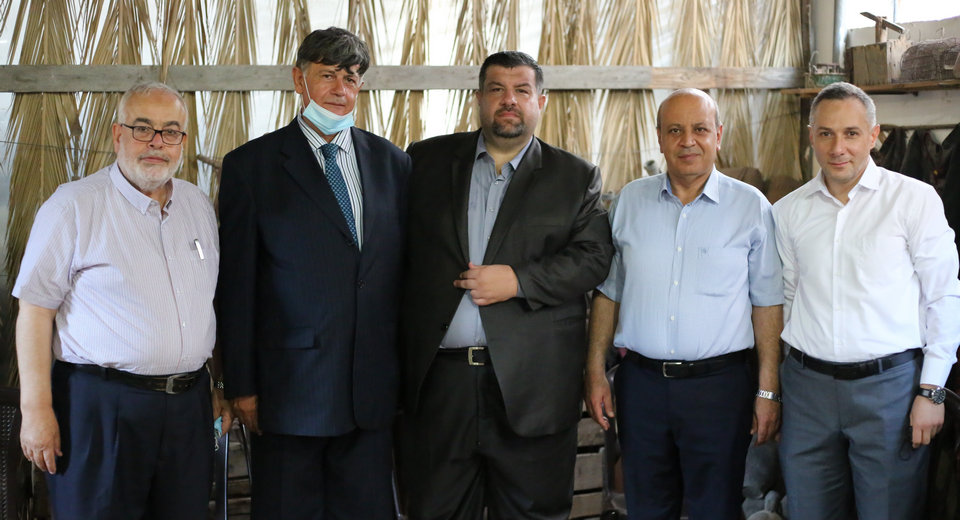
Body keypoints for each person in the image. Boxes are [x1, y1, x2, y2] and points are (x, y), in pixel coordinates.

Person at [398, 50, 614, 519]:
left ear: (541, 101)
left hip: (532, 388)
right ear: (479, 98)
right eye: (496, 89)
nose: (509, 100)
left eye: (521, 90)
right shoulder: (425, 161)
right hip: (440, 387)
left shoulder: (575, 177)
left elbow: (594, 258)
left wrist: (519, 281)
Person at [216, 27, 410, 519]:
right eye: (328, 75)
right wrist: (241, 384)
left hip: (371, 393)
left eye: (352, 78)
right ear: (299, 80)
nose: (341, 89)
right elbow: (236, 287)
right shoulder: (251, 166)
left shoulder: (393, 164)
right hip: (288, 392)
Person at [13, 82, 229, 519]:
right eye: (143, 128)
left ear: (183, 141)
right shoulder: (73, 206)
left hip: (188, 406)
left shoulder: (197, 205)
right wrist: (35, 409)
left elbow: (209, 304)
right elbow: (35, 310)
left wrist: (218, 386)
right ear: (117, 135)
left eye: (171, 131)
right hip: (100, 407)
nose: (157, 143)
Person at [584, 88, 784, 520]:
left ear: (718, 135)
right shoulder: (629, 202)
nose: (687, 141)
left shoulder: (751, 207)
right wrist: (595, 370)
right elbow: (608, 291)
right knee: (646, 507)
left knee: (716, 508)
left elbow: (767, 304)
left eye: (700, 130)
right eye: (675, 130)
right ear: (659, 137)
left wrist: (768, 390)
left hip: (720, 389)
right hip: (641, 387)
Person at [773, 81, 960, 520]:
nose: (838, 147)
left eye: (851, 133)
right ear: (811, 135)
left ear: (874, 135)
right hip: (807, 391)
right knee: (808, 510)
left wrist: (931, 390)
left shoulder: (913, 200)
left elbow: (943, 295)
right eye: (826, 133)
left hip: (890, 391)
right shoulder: (788, 211)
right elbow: (788, 297)